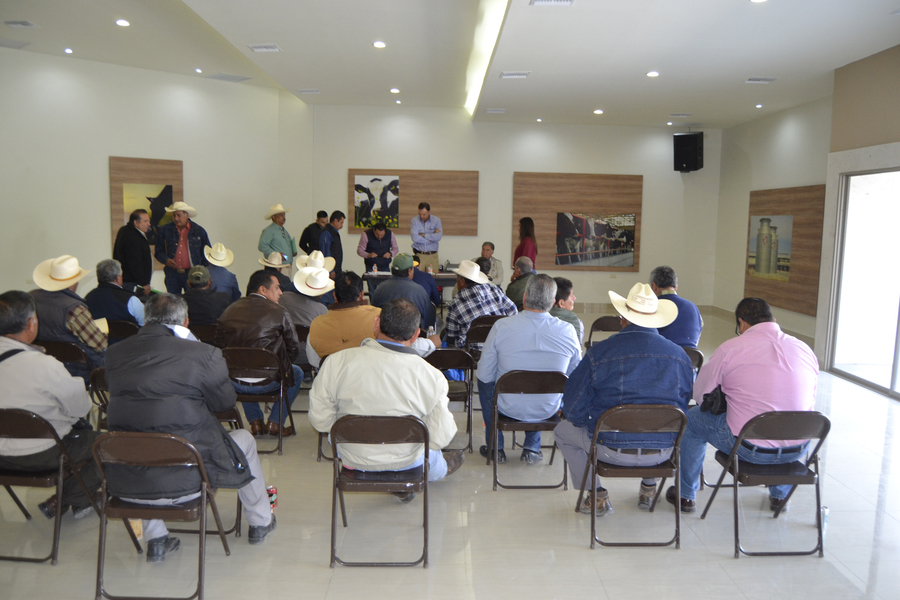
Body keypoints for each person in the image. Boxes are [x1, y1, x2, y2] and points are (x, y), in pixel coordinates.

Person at [105, 294, 276, 561]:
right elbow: (224, 403)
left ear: (146, 320)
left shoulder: (114, 354)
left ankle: (156, 538)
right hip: (188, 479)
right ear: (185, 322)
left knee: (141, 434)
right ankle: (260, 521)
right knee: (244, 439)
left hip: (127, 482)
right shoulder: (204, 354)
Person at [667, 297, 819, 514]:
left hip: (749, 447)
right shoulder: (804, 349)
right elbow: (808, 399)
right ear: (773, 320)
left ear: (742, 323)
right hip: (798, 448)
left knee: (692, 418)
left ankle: (685, 496)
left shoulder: (731, 348)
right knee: (785, 420)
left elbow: (700, 394)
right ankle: (780, 497)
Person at [555, 282, 692, 515]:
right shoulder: (680, 356)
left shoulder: (599, 353)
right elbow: (683, 402)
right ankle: (649, 489)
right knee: (654, 418)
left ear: (623, 318)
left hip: (609, 447)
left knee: (562, 431)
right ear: (656, 318)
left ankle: (596, 496)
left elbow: (574, 405)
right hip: (663, 451)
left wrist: (586, 422)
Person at [309, 298, 465, 501]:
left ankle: (417, 472)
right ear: (416, 334)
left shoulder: (336, 362)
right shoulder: (431, 375)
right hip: (407, 461)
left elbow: (320, 421)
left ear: (376, 324)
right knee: (431, 452)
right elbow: (440, 436)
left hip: (353, 458)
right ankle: (438, 469)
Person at [0, 290, 101, 521]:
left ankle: (63, 500)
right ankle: (69, 497)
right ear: (31, 324)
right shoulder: (44, 365)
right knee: (106, 445)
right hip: (41, 454)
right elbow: (81, 408)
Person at [477, 275, 581, 464]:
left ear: (525, 297)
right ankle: (532, 448)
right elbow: (575, 377)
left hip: (506, 406)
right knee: (551, 383)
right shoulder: (568, 331)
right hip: (548, 409)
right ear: (553, 302)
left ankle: (495, 447)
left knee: (484, 380)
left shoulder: (501, 327)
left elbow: (484, 375)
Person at [216, 271, 303, 437]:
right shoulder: (279, 312)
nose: (281, 292)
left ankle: (255, 422)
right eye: (277, 288)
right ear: (263, 289)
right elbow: (294, 348)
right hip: (269, 380)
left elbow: (219, 347)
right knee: (296, 372)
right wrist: (281, 364)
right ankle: (275, 422)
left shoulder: (228, 311)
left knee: (243, 365)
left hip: (234, 381)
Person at [30, 254, 107, 378]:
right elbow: (100, 344)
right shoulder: (75, 309)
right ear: (74, 282)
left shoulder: (30, 298)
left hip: (40, 363)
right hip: (76, 369)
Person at [306, 271, 380, 368]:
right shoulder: (379, 317)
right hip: (370, 374)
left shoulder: (317, 324)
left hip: (332, 375)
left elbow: (313, 361)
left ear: (334, 296)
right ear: (361, 295)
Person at [444, 260, 517, 350]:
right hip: (500, 348)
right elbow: (513, 311)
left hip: (472, 354)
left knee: (445, 336)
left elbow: (451, 336)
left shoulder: (455, 304)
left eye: (457, 278)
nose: (456, 280)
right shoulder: (495, 291)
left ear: (462, 281)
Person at [154, 202, 211, 294]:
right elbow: (158, 251)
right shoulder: (165, 230)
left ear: (187, 215)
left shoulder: (199, 231)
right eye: (174, 215)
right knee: (173, 300)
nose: (176, 218)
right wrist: (166, 260)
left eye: (178, 215)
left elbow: (206, 253)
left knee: (193, 299)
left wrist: (206, 272)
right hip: (172, 274)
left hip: (193, 273)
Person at [370, 254, 436, 331]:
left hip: (386, 334)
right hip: (412, 335)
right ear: (409, 270)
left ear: (392, 270)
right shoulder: (419, 291)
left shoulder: (380, 288)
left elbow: (373, 314)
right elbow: (429, 320)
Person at [281, 266, 332, 360]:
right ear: (321, 293)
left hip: (282, 351)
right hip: (307, 355)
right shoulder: (321, 310)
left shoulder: (283, 297)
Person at [649, 265, 703, 348]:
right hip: (692, 355)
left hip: (663, 354)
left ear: (654, 286)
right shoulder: (693, 307)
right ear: (676, 287)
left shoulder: (651, 308)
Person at [85, 259, 146, 327]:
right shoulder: (130, 300)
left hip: (98, 334)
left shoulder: (88, 298)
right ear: (118, 278)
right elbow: (147, 324)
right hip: (126, 334)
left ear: (98, 279)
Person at [113, 209, 153, 295]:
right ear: (136, 223)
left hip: (127, 281)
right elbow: (134, 262)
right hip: (133, 283)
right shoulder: (133, 237)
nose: (149, 224)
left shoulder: (124, 231)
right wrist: (144, 283)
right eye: (145, 221)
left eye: (149, 221)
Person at [258, 203, 296, 274]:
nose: (284, 217)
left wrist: (291, 253)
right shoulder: (269, 231)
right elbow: (262, 246)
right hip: (277, 267)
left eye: (284, 214)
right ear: (274, 217)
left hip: (286, 266)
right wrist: (276, 255)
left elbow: (283, 249)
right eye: (281, 215)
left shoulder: (284, 231)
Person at [410, 202, 442, 275]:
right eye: (420, 214)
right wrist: (432, 236)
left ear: (429, 212)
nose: (421, 216)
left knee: (434, 278)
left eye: (424, 214)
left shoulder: (437, 221)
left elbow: (438, 237)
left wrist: (423, 235)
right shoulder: (414, 221)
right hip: (420, 255)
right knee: (417, 277)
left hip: (432, 255)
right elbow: (415, 238)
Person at [549, 277, 583, 346]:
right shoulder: (577, 323)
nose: (574, 298)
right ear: (561, 303)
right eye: (571, 295)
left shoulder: (537, 318)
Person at [318, 210, 345, 279]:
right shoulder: (326, 233)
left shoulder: (333, 232)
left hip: (336, 268)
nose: (342, 226)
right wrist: (330, 270)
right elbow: (325, 252)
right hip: (331, 270)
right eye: (341, 223)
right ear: (335, 221)